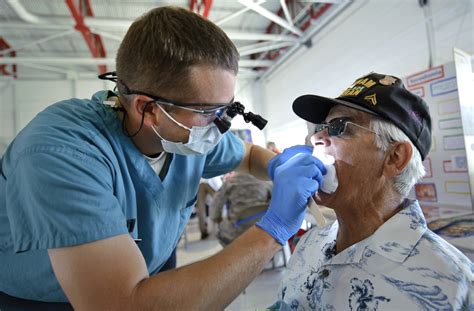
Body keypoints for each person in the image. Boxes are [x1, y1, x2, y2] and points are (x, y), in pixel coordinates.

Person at [0, 6, 327, 310]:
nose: (219, 125)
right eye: (207, 111)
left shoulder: (188, 135)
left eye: (225, 109)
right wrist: (274, 229)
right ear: (147, 107)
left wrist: (276, 165)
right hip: (49, 298)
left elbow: (250, 155)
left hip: (151, 267)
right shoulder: (62, 151)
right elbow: (121, 304)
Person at [272, 73, 473, 310]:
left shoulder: (454, 285)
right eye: (320, 128)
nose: (316, 137)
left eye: (338, 127)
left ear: (394, 158)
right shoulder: (308, 243)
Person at [210, 172, 272, 246]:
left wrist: (218, 220)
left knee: (220, 231)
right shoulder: (266, 181)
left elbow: (215, 212)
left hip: (238, 230)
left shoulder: (230, 182)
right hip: (264, 229)